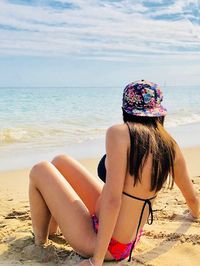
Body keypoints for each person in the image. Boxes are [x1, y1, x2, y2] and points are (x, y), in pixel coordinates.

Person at [29, 80, 200, 266]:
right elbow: (191, 197)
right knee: (59, 162)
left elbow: (113, 200)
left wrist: (97, 259)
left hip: (102, 242)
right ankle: (53, 231)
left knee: (40, 169)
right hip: (124, 239)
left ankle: (39, 243)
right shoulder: (169, 145)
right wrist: (195, 214)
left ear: (125, 108)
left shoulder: (119, 134)